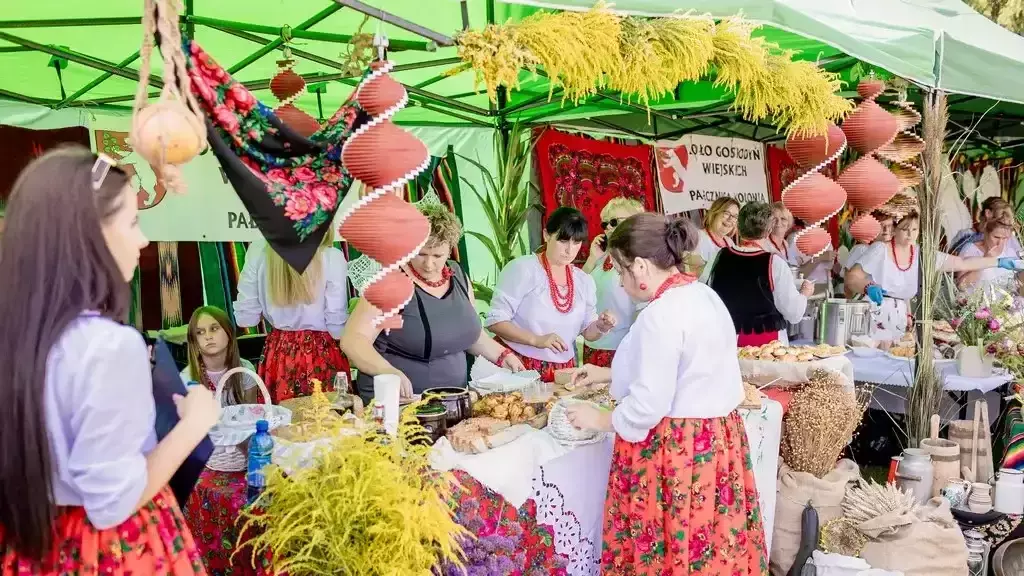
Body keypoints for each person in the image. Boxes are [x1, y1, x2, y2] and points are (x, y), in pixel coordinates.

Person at [0, 147, 218, 574]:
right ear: (88, 235)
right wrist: (195, 423)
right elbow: (112, 502)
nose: (143, 240)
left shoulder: (17, 334)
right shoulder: (107, 346)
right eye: (133, 222)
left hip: (34, 543)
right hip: (108, 550)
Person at [562, 213, 766, 575]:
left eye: (620, 270)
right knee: (709, 545)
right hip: (715, 438)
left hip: (676, 446)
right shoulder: (702, 294)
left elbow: (648, 406)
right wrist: (607, 373)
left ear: (640, 266)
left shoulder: (661, 313)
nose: (621, 282)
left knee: (668, 546)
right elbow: (687, 368)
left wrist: (601, 419)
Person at [343, 203, 525, 403]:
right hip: (401, 402)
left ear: (450, 250)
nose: (429, 264)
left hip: (453, 397)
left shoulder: (458, 276)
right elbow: (354, 339)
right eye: (421, 254)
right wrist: (386, 370)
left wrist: (503, 355)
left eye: (437, 256)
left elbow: (470, 335)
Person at [487, 207, 617, 382]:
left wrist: (601, 326)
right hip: (517, 365)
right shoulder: (523, 269)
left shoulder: (583, 281)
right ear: (546, 235)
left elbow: (588, 332)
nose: (569, 250)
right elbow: (495, 321)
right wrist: (536, 340)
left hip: (563, 370)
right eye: (563, 241)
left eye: (576, 242)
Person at [846, 212, 1019, 342]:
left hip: (900, 316)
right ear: (894, 229)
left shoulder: (923, 254)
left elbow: (962, 263)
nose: (909, 235)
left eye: (914, 230)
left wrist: (997, 262)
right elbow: (852, 277)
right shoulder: (880, 249)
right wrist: (867, 287)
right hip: (875, 311)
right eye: (904, 229)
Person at [234, 229, 349, 403]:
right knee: (327, 422)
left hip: (279, 354)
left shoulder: (259, 250)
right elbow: (337, 327)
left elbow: (246, 319)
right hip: (322, 352)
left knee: (280, 422)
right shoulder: (332, 257)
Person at [708, 201, 814, 346]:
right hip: (765, 346)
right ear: (768, 229)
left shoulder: (719, 256)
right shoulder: (774, 263)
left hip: (725, 340)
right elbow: (793, 313)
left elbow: (707, 295)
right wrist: (804, 294)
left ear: (738, 227)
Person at [581, 197, 646, 367]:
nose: (608, 228)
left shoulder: (640, 262)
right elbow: (577, 292)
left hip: (621, 350)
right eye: (605, 224)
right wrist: (591, 259)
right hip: (592, 346)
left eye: (614, 222)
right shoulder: (602, 257)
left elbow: (643, 312)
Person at [180, 306, 260, 405]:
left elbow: (251, 415)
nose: (208, 337)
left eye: (214, 329)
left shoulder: (246, 370)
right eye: (200, 332)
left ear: (229, 333)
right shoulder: (186, 378)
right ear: (194, 341)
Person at [957, 216, 1023, 295]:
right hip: (978, 305)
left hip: (1005, 305)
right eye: (996, 237)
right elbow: (961, 286)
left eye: (1004, 238)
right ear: (986, 232)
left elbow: (1018, 285)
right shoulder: (970, 249)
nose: (1000, 243)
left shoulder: (1010, 252)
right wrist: (985, 261)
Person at [949, 197, 1022, 256]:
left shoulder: (1008, 236)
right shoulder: (965, 235)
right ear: (988, 213)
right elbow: (952, 260)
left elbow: (1019, 257)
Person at [695, 197, 739, 281]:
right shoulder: (697, 238)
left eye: (735, 216)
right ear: (715, 213)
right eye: (726, 213)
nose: (730, 219)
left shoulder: (730, 243)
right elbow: (692, 275)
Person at [841, 211, 894, 277]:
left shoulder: (893, 252)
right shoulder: (861, 249)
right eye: (881, 225)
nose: (886, 229)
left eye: (889, 226)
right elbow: (847, 278)